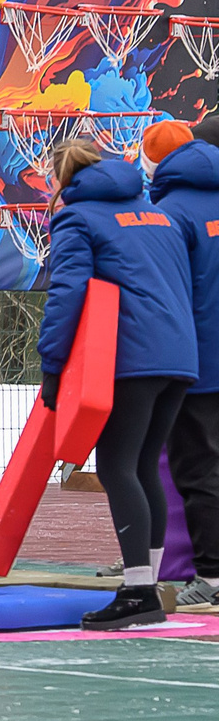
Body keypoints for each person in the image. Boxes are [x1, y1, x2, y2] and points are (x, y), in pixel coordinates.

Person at [35, 139, 197, 630]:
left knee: (117, 465)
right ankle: (148, 582)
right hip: (179, 357)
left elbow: (67, 293)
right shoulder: (159, 216)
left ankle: (138, 591)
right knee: (145, 465)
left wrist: (52, 366)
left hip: (130, 356)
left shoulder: (77, 219)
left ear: (65, 180)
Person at [147, 121, 219, 607]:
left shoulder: (169, 213)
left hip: (197, 360)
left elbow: (162, 293)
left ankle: (210, 575)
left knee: (197, 469)